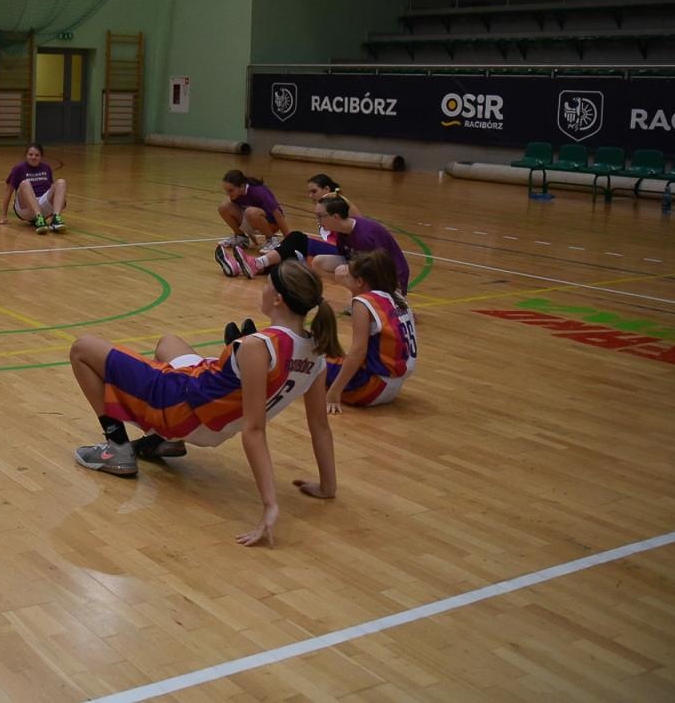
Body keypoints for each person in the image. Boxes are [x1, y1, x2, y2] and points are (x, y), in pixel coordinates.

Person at [66, 259, 340, 546]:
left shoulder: (258, 346)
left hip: (179, 403)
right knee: (168, 343)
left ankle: (117, 447)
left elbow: (255, 430)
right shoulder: (317, 356)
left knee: (82, 348)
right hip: (208, 411)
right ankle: (163, 442)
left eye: (266, 285)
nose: (263, 290)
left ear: (278, 299)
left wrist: (270, 505)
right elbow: (320, 426)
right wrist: (327, 486)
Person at [223, 195, 411, 295]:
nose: (319, 221)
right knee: (320, 262)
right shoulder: (342, 233)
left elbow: (384, 267)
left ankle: (377, 299)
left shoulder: (365, 234)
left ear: (336, 217)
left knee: (343, 271)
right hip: (368, 269)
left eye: (321, 216)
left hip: (392, 276)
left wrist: (396, 293)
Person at [325, 250, 417, 411]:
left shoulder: (363, 302)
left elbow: (358, 351)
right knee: (336, 357)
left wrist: (334, 392)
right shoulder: (399, 299)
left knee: (312, 360)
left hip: (370, 387)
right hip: (394, 385)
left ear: (360, 281)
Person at [0, 142, 67, 233]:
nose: (33, 157)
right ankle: (38, 218)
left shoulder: (46, 167)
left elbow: (51, 189)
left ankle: (56, 219)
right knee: (25, 183)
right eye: (30, 154)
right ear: (26, 155)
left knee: (61, 182)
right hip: (25, 207)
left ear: (41, 157)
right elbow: (8, 191)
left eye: (37, 155)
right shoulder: (19, 169)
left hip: (42, 203)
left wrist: (59, 204)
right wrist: (4, 216)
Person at [216, 169, 291, 254]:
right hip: (252, 220)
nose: (227, 193)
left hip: (270, 223)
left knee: (250, 212)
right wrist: (249, 233)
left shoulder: (259, 192)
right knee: (224, 207)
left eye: (230, 190)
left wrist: (289, 239)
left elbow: (278, 214)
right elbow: (241, 212)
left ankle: (272, 240)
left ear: (242, 186)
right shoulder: (236, 195)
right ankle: (241, 239)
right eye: (226, 190)